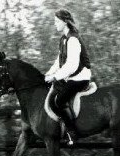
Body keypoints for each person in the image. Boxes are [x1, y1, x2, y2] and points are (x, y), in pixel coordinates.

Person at [45, 9, 92, 143]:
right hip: (71, 77)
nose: (55, 24)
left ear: (65, 22)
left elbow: (71, 65)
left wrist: (55, 77)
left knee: (59, 101)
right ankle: (61, 126)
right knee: (52, 92)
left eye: (56, 22)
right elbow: (59, 60)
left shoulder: (73, 39)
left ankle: (73, 132)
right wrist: (49, 73)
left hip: (80, 78)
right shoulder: (64, 39)